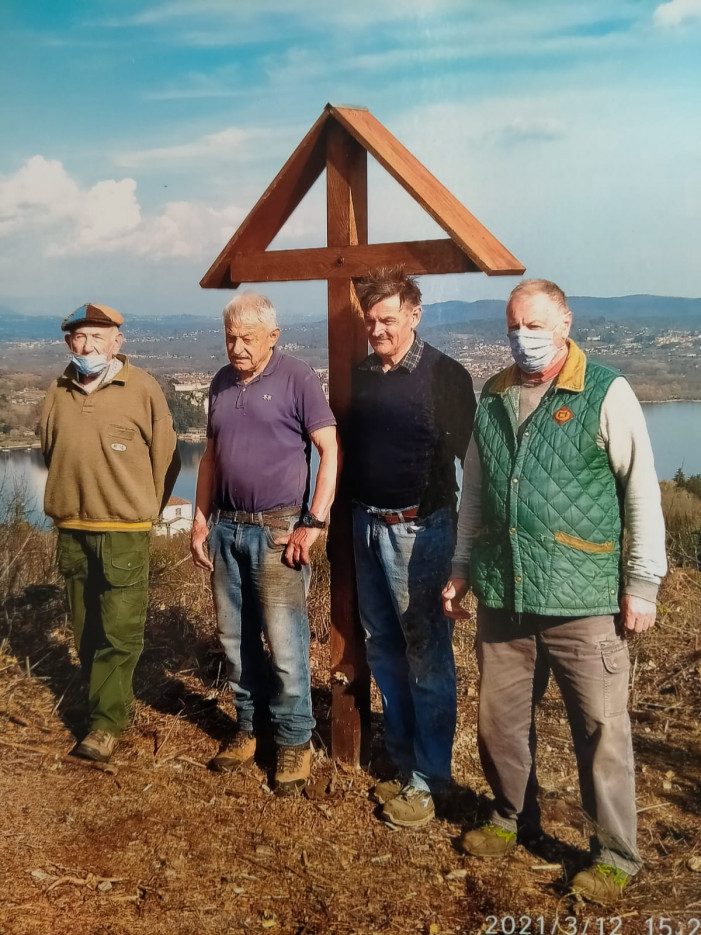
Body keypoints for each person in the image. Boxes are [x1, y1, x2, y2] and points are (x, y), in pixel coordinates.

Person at [442, 279, 667, 905]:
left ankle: (616, 854)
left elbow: (641, 491)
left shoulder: (606, 391)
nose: (524, 337)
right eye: (514, 325)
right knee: (498, 722)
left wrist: (641, 582)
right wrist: (462, 569)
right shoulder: (494, 397)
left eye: (536, 325)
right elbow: (476, 496)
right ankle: (513, 817)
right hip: (505, 594)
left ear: (565, 322)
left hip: (584, 599)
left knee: (601, 729)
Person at [344, 266, 476, 829]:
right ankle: (401, 758)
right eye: (371, 320)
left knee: (425, 656)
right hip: (365, 527)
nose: (378, 330)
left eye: (388, 320)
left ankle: (429, 777)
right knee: (382, 648)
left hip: (420, 530)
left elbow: (471, 465)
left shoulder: (446, 375)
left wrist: (465, 553)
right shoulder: (362, 373)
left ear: (415, 314)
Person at [190, 293, 338, 796]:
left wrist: (313, 522)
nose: (236, 346)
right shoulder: (220, 382)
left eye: (247, 338)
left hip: (278, 531)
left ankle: (295, 742)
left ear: (273, 337)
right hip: (227, 528)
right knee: (235, 642)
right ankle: (249, 729)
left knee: (285, 644)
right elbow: (209, 458)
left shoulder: (297, 377)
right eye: (230, 336)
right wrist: (198, 520)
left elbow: (329, 450)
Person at [41, 302, 180, 763]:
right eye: (80, 337)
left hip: (124, 529)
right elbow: (50, 451)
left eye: (98, 337)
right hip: (73, 528)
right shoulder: (58, 391)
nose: (88, 345)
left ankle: (105, 724)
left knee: (119, 631)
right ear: (69, 343)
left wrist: (144, 509)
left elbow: (167, 457)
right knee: (86, 628)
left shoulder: (141, 388)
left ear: (118, 342)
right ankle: (102, 702)